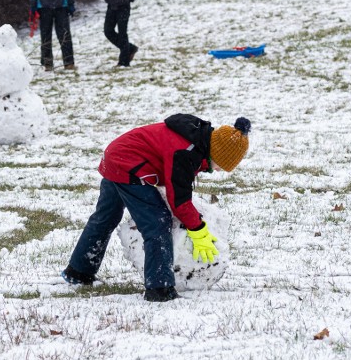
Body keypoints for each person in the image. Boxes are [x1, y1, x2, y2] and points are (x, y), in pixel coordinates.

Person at [61, 114, 251, 302]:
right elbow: (179, 200)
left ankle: (78, 271)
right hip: (128, 165)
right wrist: (198, 229)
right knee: (157, 222)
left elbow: (171, 179)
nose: (218, 170)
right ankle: (160, 288)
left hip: (117, 155)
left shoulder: (198, 138)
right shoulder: (186, 151)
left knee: (106, 217)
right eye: (221, 165)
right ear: (216, 153)